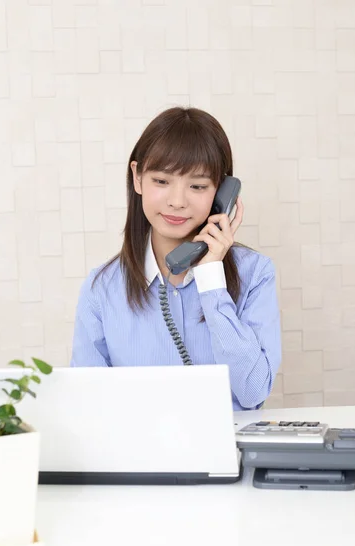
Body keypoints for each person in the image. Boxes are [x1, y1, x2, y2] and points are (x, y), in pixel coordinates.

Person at [70, 106, 281, 410]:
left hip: (227, 454)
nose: (177, 201)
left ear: (222, 193)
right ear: (138, 178)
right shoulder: (101, 289)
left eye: (197, 186)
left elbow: (252, 392)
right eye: (161, 181)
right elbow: (88, 405)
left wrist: (211, 280)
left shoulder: (255, 273)